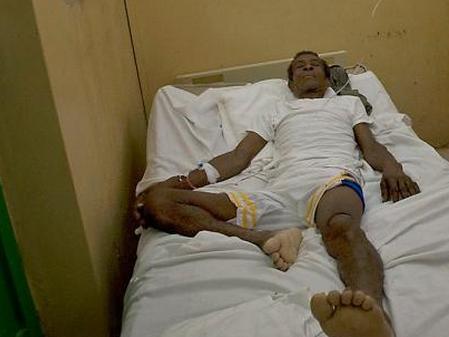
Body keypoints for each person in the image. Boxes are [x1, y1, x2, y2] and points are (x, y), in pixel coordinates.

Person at [137, 51, 420, 337]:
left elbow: (371, 148)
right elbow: (238, 157)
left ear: (326, 77)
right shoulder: (275, 110)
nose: (307, 68)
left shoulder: (348, 104)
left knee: (343, 227)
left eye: (314, 65)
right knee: (156, 202)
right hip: (279, 191)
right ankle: (264, 238)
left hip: (331, 180)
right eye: (300, 66)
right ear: (290, 81)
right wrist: (180, 182)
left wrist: (393, 169)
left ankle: (369, 313)